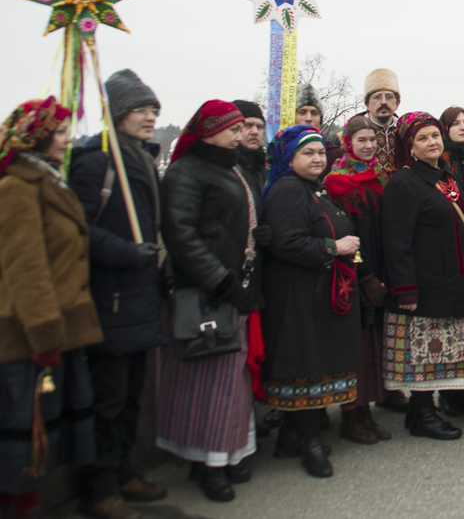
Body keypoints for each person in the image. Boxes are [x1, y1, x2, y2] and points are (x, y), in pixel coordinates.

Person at [68, 71, 169, 519]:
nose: (149, 118)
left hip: (140, 295)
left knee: (130, 397)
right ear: (117, 114)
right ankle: (100, 487)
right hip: (112, 297)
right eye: (140, 110)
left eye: (153, 111)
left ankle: (125, 470)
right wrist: (126, 253)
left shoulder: (142, 158)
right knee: (107, 400)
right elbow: (79, 230)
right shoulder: (96, 163)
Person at [0, 97, 102, 519]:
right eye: (60, 132)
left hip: (61, 325)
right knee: (24, 432)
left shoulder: (48, 181)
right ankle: (20, 507)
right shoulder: (15, 188)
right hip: (28, 335)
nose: (67, 139)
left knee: (51, 427)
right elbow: (27, 268)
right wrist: (44, 333)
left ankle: (35, 502)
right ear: (37, 138)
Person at [157, 101, 259, 502]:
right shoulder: (185, 172)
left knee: (230, 381)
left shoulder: (227, 167)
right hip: (204, 293)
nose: (239, 135)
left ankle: (227, 452)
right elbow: (181, 234)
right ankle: (206, 463)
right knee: (207, 383)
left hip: (231, 289)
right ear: (209, 130)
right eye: (232, 129)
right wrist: (221, 282)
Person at [260, 125, 361, 477]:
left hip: (316, 291)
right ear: (289, 158)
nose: (318, 158)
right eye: (308, 153)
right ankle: (310, 443)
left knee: (311, 363)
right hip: (299, 295)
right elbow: (285, 243)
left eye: (320, 152)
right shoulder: (288, 191)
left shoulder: (310, 189)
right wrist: (335, 247)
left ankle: (292, 437)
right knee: (305, 366)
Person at [379, 113, 464, 440]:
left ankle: (421, 412)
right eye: (423, 138)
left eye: (435, 135)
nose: (432, 142)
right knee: (422, 352)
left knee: (443, 352)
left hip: (451, 279)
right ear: (410, 146)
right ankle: (422, 413)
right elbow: (396, 241)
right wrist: (404, 289)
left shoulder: (446, 177)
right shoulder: (404, 183)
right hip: (424, 282)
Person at [323, 116, 392, 444]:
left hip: (380, 270)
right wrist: (364, 274)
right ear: (349, 142)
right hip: (355, 275)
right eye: (361, 140)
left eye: (372, 140)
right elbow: (343, 232)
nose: (368, 146)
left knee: (374, 343)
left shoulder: (379, 176)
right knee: (359, 346)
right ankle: (351, 415)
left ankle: (367, 412)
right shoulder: (338, 182)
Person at [355, 69, 402, 177]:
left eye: (389, 96)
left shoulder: (405, 133)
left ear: (397, 103)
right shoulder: (349, 135)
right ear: (367, 103)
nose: (383, 102)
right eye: (377, 97)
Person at [294, 85, 343, 176]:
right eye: (302, 112)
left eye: (314, 113)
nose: (308, 118)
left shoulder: (335, 156)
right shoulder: (280, 152)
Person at [232, 101, 267, 197]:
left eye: (259, 127)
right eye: (247, 125)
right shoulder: (223, 167)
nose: (255, 132)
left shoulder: (265, 169)